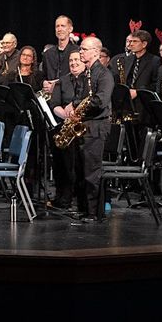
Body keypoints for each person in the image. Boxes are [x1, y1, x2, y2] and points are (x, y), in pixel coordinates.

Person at [53, 37, 114, 222]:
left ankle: (93, 212)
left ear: (96, 51)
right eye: (81, 49)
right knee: (79, 171)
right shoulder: (86, 74)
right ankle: (82, 208)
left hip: (95, 126)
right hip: (83, 126)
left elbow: (100, 101)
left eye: (84, 49)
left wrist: (77, 106)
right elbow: (80, 96)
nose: (80, 52)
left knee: (91, 172)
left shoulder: (103, 74)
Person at [49, 51, 86, 211]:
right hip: (66, 125)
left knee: (82, 166)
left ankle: (83, 202)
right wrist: (65, 114)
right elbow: (54, 104)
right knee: (64, 166)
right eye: (71, 60)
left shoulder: (90, 80)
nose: (73, 63)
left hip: (85, 128)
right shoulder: (62, 81)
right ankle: (64, 198)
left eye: (77, 59)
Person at [42, 15, 76, 92]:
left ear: (70, 29)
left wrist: (57, 84)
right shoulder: (47, 54)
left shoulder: (77, 51)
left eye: (63, 26)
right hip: (51, 99)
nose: (59, 29)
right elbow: (43, 75)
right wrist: (44, 82)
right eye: (57, 26)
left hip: (71, 96)